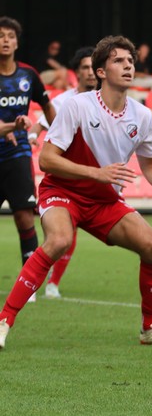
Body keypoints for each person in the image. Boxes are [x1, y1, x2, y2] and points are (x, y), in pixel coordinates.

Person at [0, 35, 152, 350]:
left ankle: (149, 327)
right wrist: (96, 173)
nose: (128, 66)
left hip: (103, 202)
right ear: (100, 71)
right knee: (59, 240)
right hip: (63, 192)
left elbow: (150, 163)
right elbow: (47, 159)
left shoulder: (141, 116)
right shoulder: (76, 106)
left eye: (130, 61)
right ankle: (4, 321)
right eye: (118, 61)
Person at [29, 45, 98, 299]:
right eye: (85, 68)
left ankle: (52, 283)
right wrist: (33, 136)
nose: (90, 73)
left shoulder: (105, 101)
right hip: (65, 174)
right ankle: (40, 280)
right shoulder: (63, 101)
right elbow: (40, 122)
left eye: (93, 67)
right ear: (76, 73)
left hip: (91, 176)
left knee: (71, 231)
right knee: (60, 234)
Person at [0, 17, 56, 296]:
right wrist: (12, 126)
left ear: (17, 42)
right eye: (1, 36)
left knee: (24, 217)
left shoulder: (28, 75)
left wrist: (58, 139)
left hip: (18, 155)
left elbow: (48, 107)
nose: (5, 40)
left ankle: (29, 283)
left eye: (10, 36)